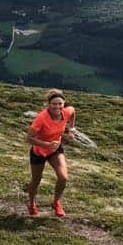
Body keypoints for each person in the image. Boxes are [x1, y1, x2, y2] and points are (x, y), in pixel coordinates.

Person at [26, 88, 75, 217]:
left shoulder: (66, 112)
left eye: (60, 104)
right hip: (39, 151)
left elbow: (73, 112)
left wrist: (71, 130)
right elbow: (28, 138)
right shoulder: (41, 119)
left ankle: (56, 202)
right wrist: (46, 144)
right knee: (36, 180)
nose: (57, 107)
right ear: (48, 104)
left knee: (63, 177)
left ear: (64, 105)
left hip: (55, 150)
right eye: (54, 104)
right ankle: (31, 203)